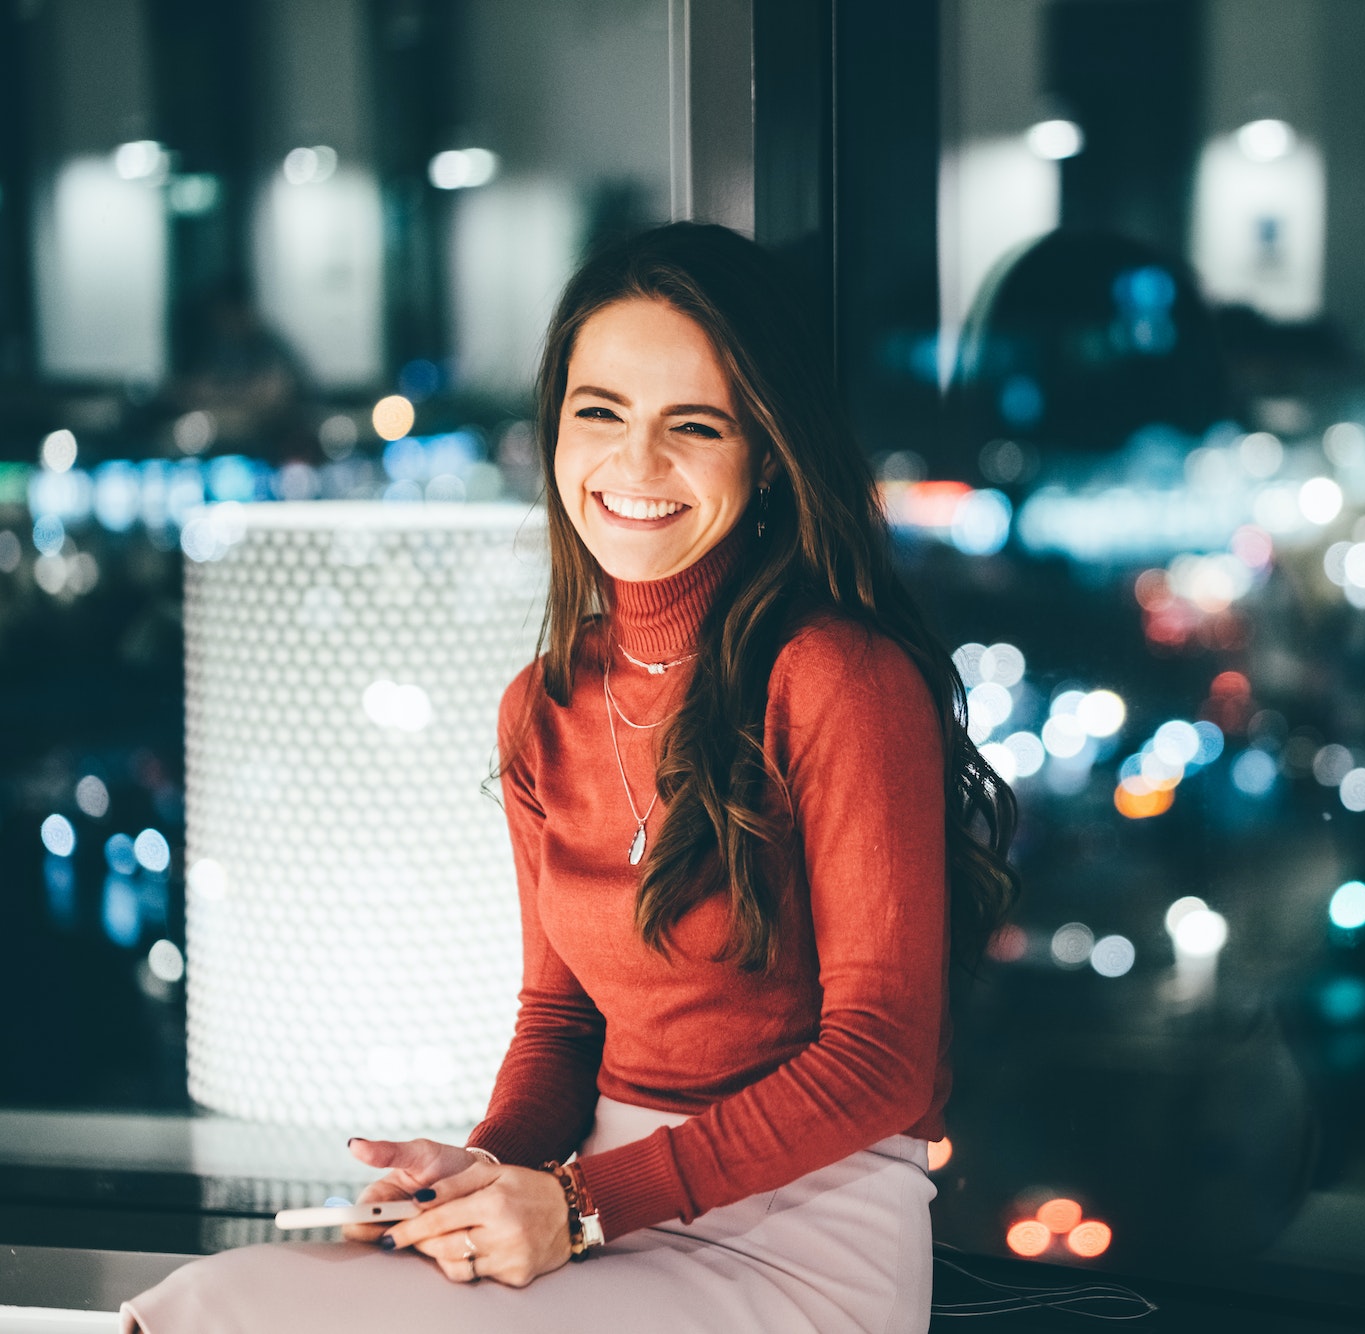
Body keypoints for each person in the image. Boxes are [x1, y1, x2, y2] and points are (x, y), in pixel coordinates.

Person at [121, 221, 1019, 1333]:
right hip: (596, 1213)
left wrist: (583, 1205)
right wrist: (480, 1178)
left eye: (693, 425)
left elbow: (879, 1058)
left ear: (767, 450)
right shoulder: (540, 704)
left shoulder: (838, 675)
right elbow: (558, 1022)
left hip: (802, 1243)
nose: (634, 467)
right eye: (600, 413)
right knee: (206, 1302)